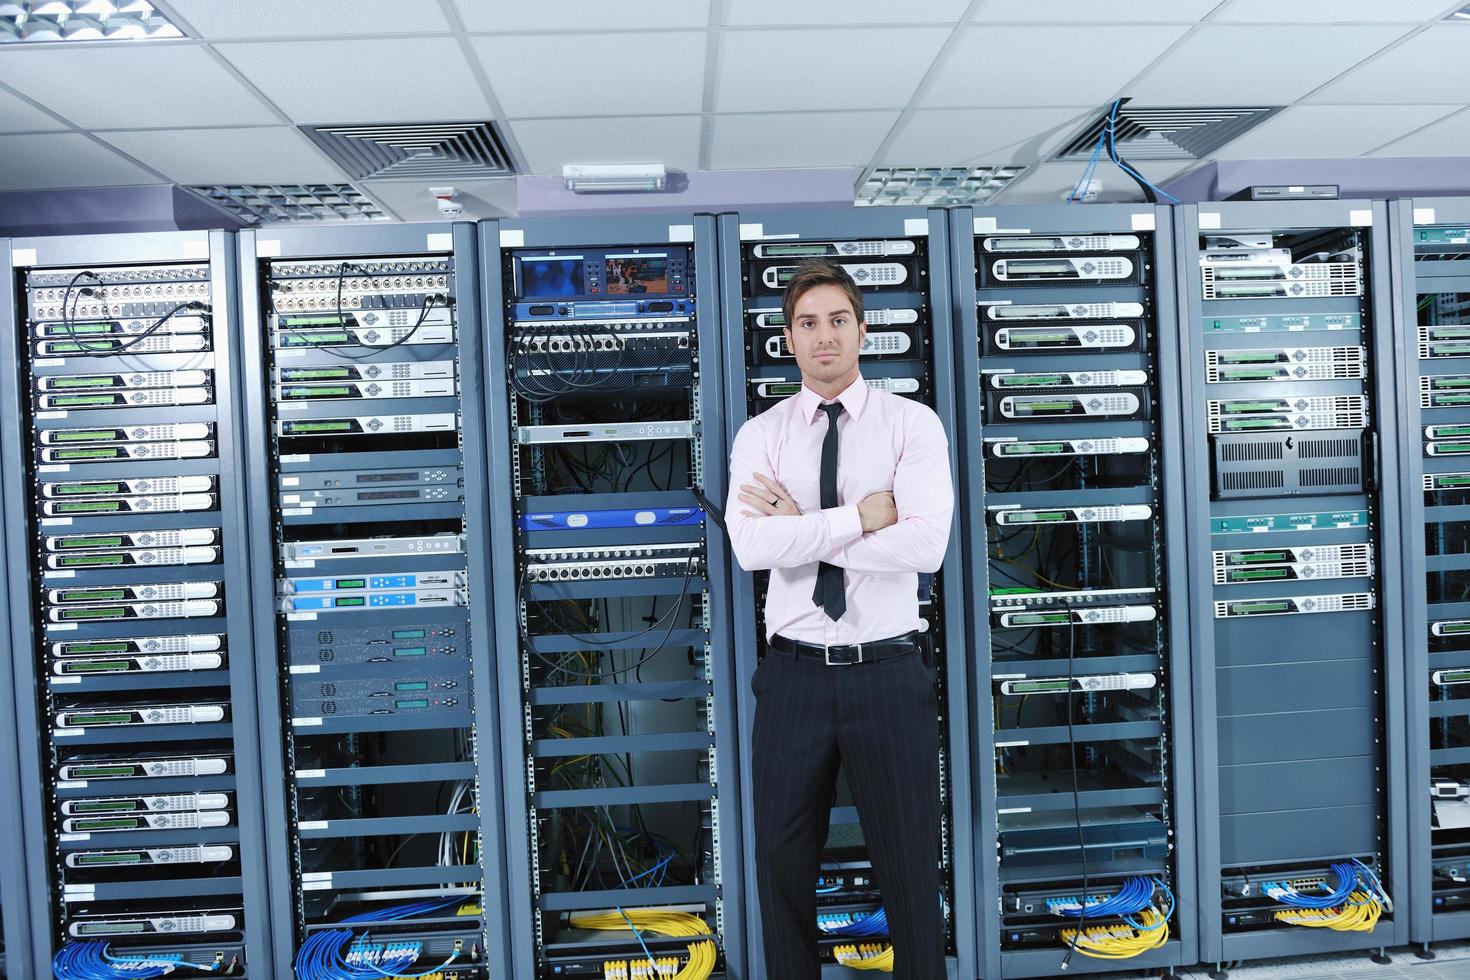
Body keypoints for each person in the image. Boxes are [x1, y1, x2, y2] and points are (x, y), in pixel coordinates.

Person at [725, 257, 953, 978]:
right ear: (787, 340)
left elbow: (928, 544)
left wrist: (809, 529)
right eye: (807, 324)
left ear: (862, 331)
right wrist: (856, 518)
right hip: (793, 678)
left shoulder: (910, 425)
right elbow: (749, 546)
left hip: (887, 672)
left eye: (837, 321)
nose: (824, 337)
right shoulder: (760, 436)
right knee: (781, 866)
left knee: (911, 868)